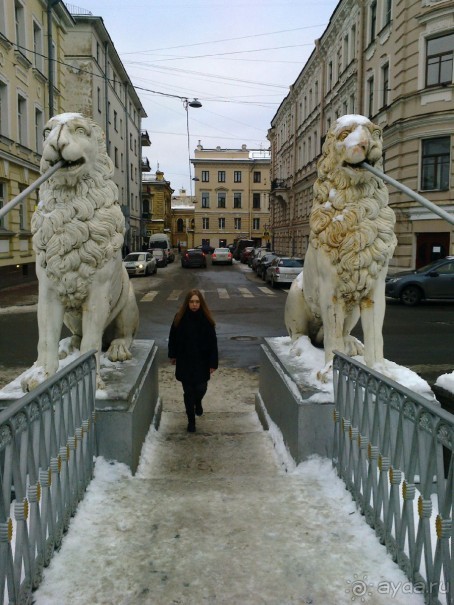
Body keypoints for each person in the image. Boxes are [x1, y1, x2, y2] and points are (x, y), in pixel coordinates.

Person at [168, 289, 218, 433]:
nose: (194, 304)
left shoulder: (206, 319)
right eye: (191, 302)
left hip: (202, 362)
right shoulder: (179, 318)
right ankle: (191, 421)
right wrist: (173, 354)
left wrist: (213, 363)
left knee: (201, 389)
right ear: (187, 303)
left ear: (201, 303)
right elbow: (172, 337)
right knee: (188, 392)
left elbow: (213, 343)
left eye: (197, 302)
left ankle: (198, 401)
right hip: (185, 361)